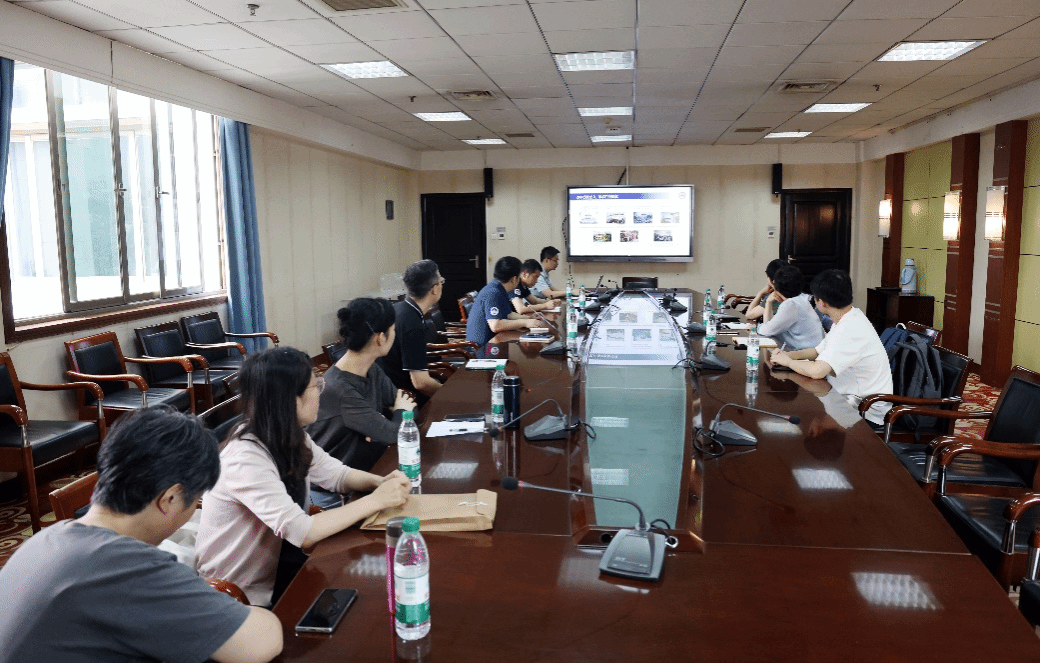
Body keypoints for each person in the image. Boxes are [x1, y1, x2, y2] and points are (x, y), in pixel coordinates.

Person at [0, 407, 283, 663]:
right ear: (170, 498)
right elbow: (259, 644)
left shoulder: (44, 541)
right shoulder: (123, 565)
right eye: (196, 499)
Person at [196, 347, 411, 607]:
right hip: (242, 594)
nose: (321, 393)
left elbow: (336, 474)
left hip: (285, 565)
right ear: (292, 400)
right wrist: (376, 500)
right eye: (315, 386)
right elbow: (302, 531)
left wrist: (380, 483)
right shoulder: (245, 457)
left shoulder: (286, 432)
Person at [768, 269, 893, 425]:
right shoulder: (848, 317)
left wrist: (788, 362)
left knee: (799, 416)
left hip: (864, 411)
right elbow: (817, 351)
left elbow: (817, 371)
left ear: (822, 302)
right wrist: (788, 355)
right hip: (844, 400)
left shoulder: (850, 328)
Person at [310, 298, 417, 473]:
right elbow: (393, 433)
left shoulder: (371, 368)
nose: (395, 334)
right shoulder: (340, 389)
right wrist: (398, 413)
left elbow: (408, 404)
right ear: (380, 338)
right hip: (340, 481)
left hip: (369, 464)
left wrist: (383, 425)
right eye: (393, 330)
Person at [379, 259, 445, 406]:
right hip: (404, 399)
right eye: (441, 281)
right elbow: (421, 383)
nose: (442, 285)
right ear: (434, 289)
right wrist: (449, 395)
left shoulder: (400, 308)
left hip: (388, 389)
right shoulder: (412, 323)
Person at [466, 256, 539, 346]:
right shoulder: (493, 292)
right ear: (514, 279)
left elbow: (509, 314)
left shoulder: (499, 289)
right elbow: (495, 325)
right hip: (480, 348)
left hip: (492, 341)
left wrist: (529, 318)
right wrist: (524, 322)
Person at [756, 264, 825, 351]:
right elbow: (770, 327)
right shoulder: (800, 300)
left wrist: (755, 327)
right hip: (812, 351)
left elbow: (766, 331)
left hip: (807, 355)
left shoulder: (791, 305)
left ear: (775, 286)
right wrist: (769, 302)